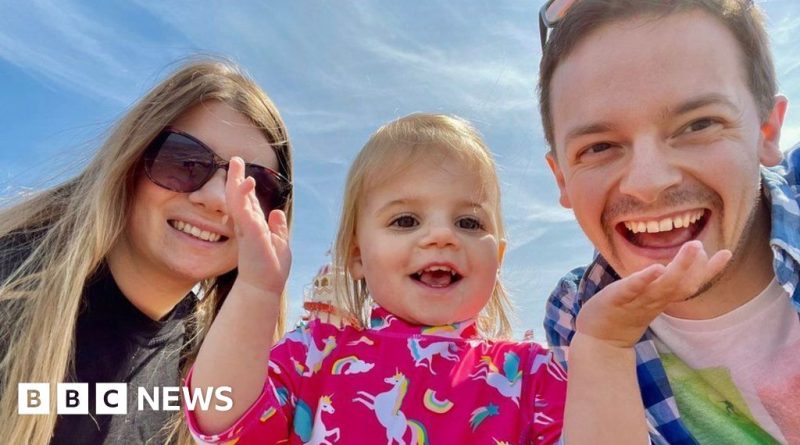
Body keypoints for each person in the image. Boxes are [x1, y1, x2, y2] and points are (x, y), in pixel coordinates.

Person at [185, 113, 569, 444]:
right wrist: (256, 290)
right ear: (357, 257)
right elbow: (221, 418)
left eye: (469, 222)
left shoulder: (533, 376)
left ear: (498, 258)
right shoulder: (315, 354)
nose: (442, 235)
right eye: (406, 221)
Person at [538, 0, 798, 443]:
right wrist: (603, 350)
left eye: (698, 124)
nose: (648, 183)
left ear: (765, 132)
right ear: (562, 178)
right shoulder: (577, 313)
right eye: (599, 147)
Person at [0, 59, 293, 445]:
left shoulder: (222, 366)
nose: (218, 200)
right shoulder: (12, 287)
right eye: (185, 161)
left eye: (255, 187)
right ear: (131, 160)